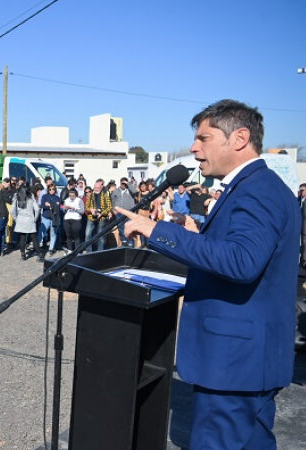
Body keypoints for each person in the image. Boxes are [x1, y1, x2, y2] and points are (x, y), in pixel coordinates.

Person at [116, 99, 299, 449]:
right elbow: (250, 251)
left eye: (204, 137)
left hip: (234, 363)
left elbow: (242, 262)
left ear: (239, 138)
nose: (193, 147)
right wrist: (194, 231)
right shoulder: (259, 185)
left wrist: (156, 231)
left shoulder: (256, 190)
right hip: (249, 361)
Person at [11, 186, 42, 261]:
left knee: (22, 238)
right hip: (30, 219)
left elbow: (12, 210)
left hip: (20, 219)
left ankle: (23, 255)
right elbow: (37, 209)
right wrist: (35, 218)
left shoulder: (16, 196)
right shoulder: (31, 196)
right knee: (34, 238)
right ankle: (39, 255)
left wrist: (15, 219)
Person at [84, 181, 111, 252]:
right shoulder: (91, 195)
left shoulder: (105, 195)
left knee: (101, 235)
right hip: (91, 217)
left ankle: (100, 251)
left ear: (101, 188)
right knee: (87, 234)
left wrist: (101, 213)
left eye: (98, 188)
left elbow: (109, 208)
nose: (96, 189)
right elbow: (86, 207)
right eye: (95, 188)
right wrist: (91, 210)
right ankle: (88, 251)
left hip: (102, 217)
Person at [62, 188, 84, 253]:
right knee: (68, 236)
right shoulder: (66, 200)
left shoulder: (79, 200)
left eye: (73, 196)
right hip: (67, 219)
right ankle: (70, 250)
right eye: (70, 195)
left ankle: (77, 251)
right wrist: (65, 208)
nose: (71, 197)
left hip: (76, 219)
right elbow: (63, 210)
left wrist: (74, 208)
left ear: (75, 195)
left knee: (76, 236)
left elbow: (82, 211)